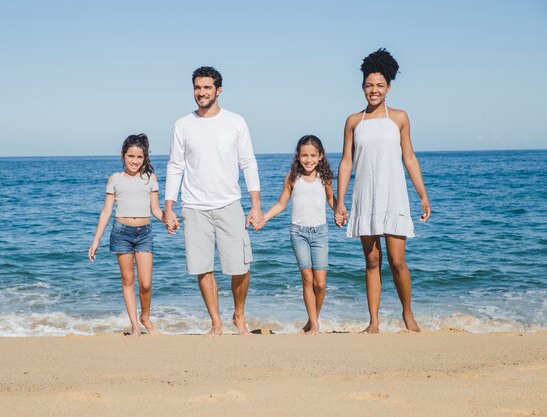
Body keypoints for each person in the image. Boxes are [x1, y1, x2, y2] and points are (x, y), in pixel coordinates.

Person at [334, 48, 431, 333]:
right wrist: (340, 201)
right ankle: (373, 322)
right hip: (365, 195)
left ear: (389, 87)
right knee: (372, 260)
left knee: (397, 260)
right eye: (368, 85)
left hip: (394, 195)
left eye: (379, 85)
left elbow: (409, 157)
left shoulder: (399, 117)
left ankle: (408, 315)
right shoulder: (354, 121)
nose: (373, 90)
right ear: (362, 87)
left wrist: (422, 195)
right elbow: (346, 162)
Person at [163, 66, 264, 336]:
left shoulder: (236, 122)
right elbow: (175, 166)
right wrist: (168, 207)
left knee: (240, 266)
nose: (201, 93)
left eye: (207, 87)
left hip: (229, 203)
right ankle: (216, 323)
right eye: (197, 88)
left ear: (218, 90)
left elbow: (248, 162)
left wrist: (256, 205)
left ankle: (239, 315)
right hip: (194, 207)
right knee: (202, 267)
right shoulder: (182, 125)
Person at [88, 134, 163, 336]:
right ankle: (135, 326)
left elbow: (155, 209)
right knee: (128, 279)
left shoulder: (151, 179)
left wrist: (168, 220)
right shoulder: (115, 179)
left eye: (139, 157)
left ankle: (145, 316)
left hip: (144, 234)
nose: (135, 161)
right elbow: (106, 211)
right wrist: (96, 241)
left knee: (146, 283)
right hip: (121, 233)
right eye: (131, 156)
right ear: (123, 155)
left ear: (145, 157)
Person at [264, 135, 335, 334]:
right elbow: (281, 204)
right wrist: (263, 218)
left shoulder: (325, 178)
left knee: (320, 283)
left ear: (320, 156)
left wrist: (340, 211)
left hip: (320, 233)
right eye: (304, 155)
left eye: (313, 155)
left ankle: (312, 321)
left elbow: (331, 200)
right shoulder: (292, 177)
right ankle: (315, 325)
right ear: (298, 156)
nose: (308, 159)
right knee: (307, 278)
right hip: (299, 233)